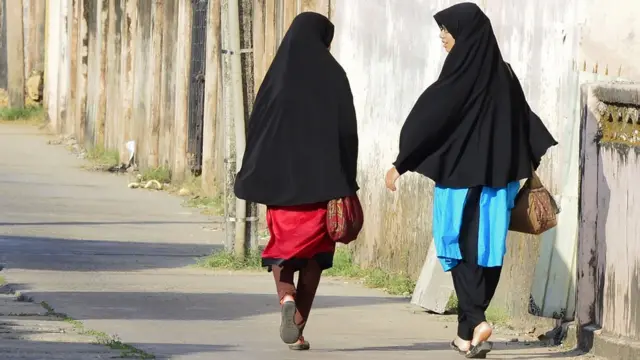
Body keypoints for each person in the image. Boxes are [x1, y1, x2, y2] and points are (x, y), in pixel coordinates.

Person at [384, 3, 557, 358]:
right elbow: (526, 125)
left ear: (465, 35)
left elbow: (428, 120)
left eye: (446, 32)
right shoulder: (504, 75)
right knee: (488, 251)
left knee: (456, 246)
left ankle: (476, 319)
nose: (442, 39)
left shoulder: (458, 77)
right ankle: (467, 336)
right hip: (498, 182)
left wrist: (402, 163)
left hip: (460, 182)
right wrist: (521, 163)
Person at [234, 12, 359, 351]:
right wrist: (348, 179)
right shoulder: (334, 76)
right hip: (324, 190)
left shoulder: (277, 78)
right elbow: (348, 134)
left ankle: (285, 299)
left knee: (283, 252)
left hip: (280, 191)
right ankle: (299, 327)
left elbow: (257, 130)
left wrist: (255, 175)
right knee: (316, 259)